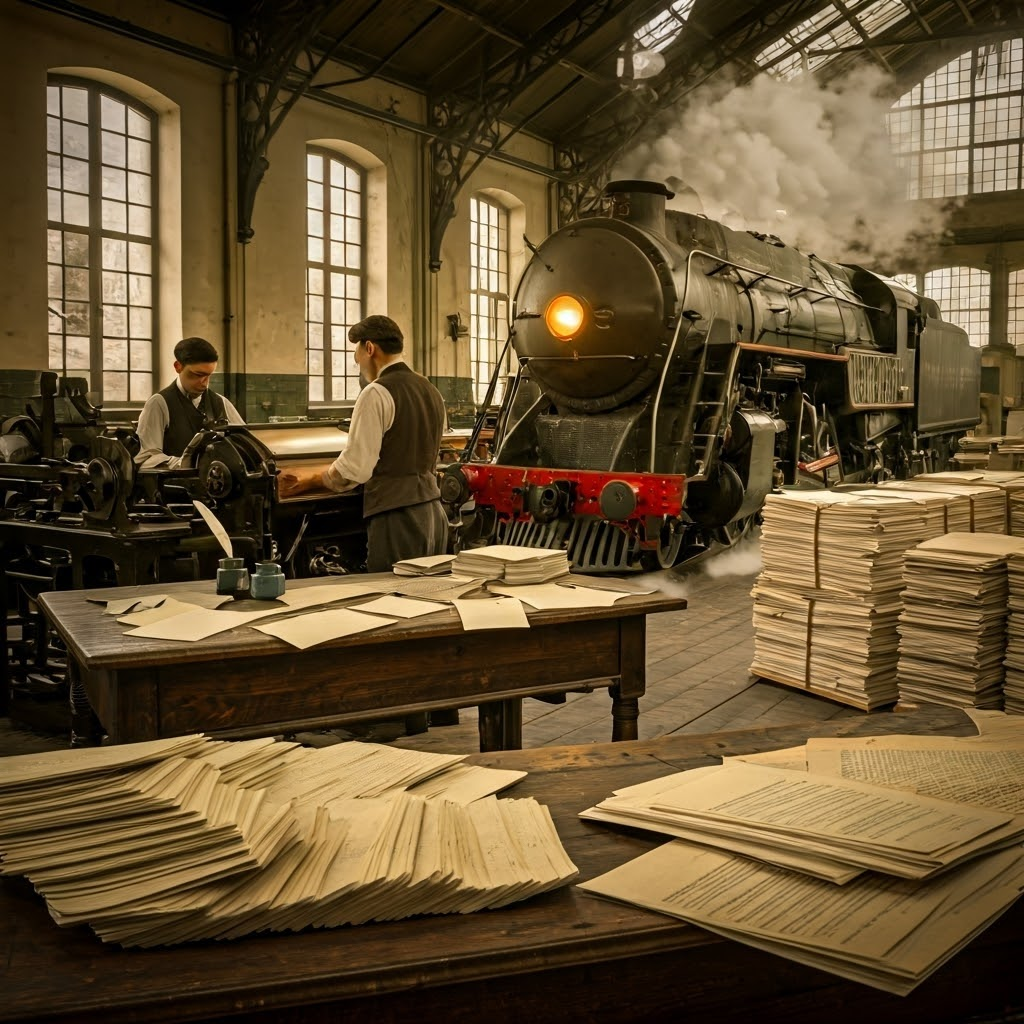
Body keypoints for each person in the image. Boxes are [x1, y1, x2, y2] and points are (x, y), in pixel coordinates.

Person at [278, 314, 449, 573]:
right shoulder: (430, 390)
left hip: (397, 515)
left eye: (356, 354)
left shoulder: (376, 392)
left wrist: (310, 480)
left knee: (393, 600)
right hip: (434, 512)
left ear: (369, 348)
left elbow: (355, 469)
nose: (357, 362)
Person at [134, 336, 244, 468]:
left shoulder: (221, 402)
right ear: (178, 366)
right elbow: (148, 457)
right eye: (197, 375)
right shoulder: (158, 403)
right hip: (176, 485)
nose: (204, 383)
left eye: (209, 375)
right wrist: (186, 463)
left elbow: (244, 444)